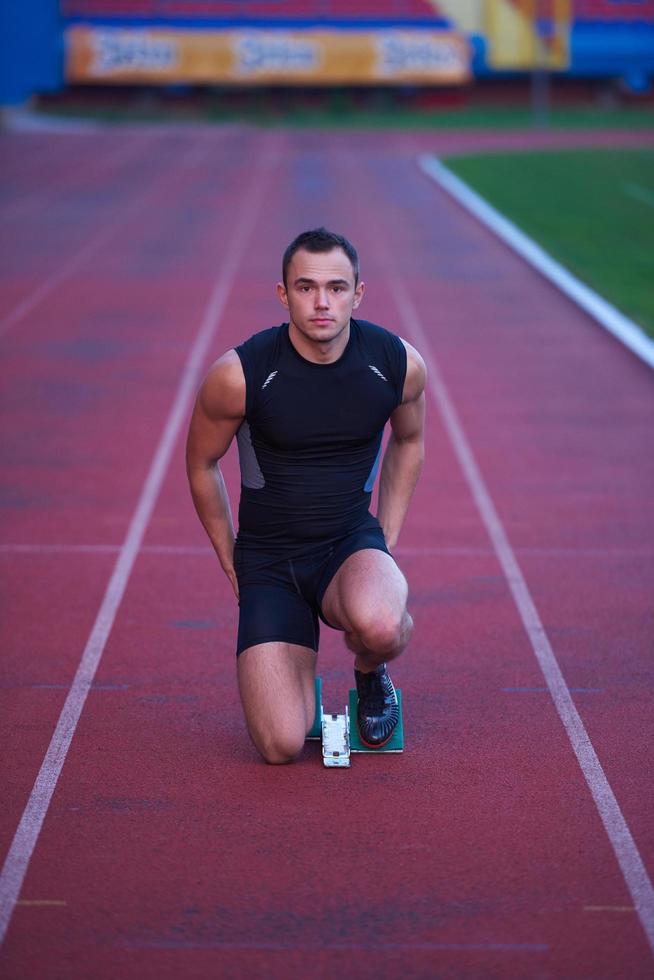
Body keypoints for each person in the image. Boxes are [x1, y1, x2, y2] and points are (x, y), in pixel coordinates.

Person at [186, 228, 426, 765]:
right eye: (307, 287)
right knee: (280, 745)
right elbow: (201, 463)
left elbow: (409, 441)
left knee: (383, 624)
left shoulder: (394, 362)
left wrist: (385, 538)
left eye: (337, 288)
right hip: (270, 561)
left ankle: (369, 674)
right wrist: (230, 554)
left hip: (347, 543)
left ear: (358, 294)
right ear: (283, 293)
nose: (322, 302)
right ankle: (293, 678)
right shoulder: (239, 374)